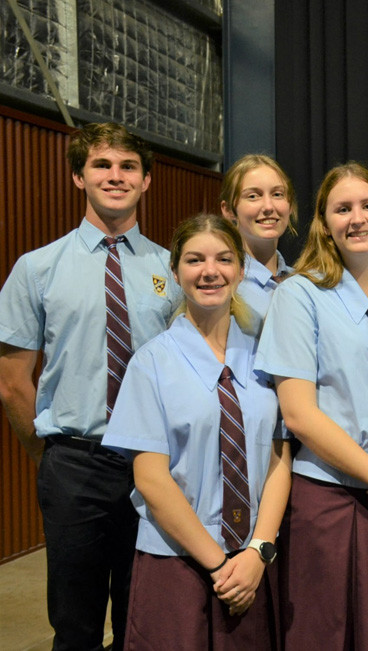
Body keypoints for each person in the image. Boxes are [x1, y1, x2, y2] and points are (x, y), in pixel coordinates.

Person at [0, 122, 177, 651]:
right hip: (74, 463)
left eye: (128, 167)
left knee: (143, 614)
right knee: (75, 623)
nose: (115, 176)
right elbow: (12, 384)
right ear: (79, 176)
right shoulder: (37, 269)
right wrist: (49, 457)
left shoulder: (173, 269)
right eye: (102, 165)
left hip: (156, 462)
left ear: (147, 180)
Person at [255, 162, 368, 648]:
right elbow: (298, 414)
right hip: (330, 498)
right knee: (323, 634)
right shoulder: (300, 295)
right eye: (342, 208)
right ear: (324, 221)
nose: (357, 218)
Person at [102, 214, 291, 648]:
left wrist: (258, 551)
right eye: (194, 260)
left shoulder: (267, 357)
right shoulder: (150, 363)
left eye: (224, 259)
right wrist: (220, 565)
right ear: (175, 270)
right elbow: (150, 478)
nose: (210, 271)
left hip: (254, 563)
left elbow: (280, 458)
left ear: (241, 270)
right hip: (180, 564)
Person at [220, 154, 298, 337]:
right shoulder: (222, 286)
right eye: (253, 196)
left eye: (277, 194)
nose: (268, 206)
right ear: (229, 210)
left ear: (290, 205)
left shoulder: (305, 283)